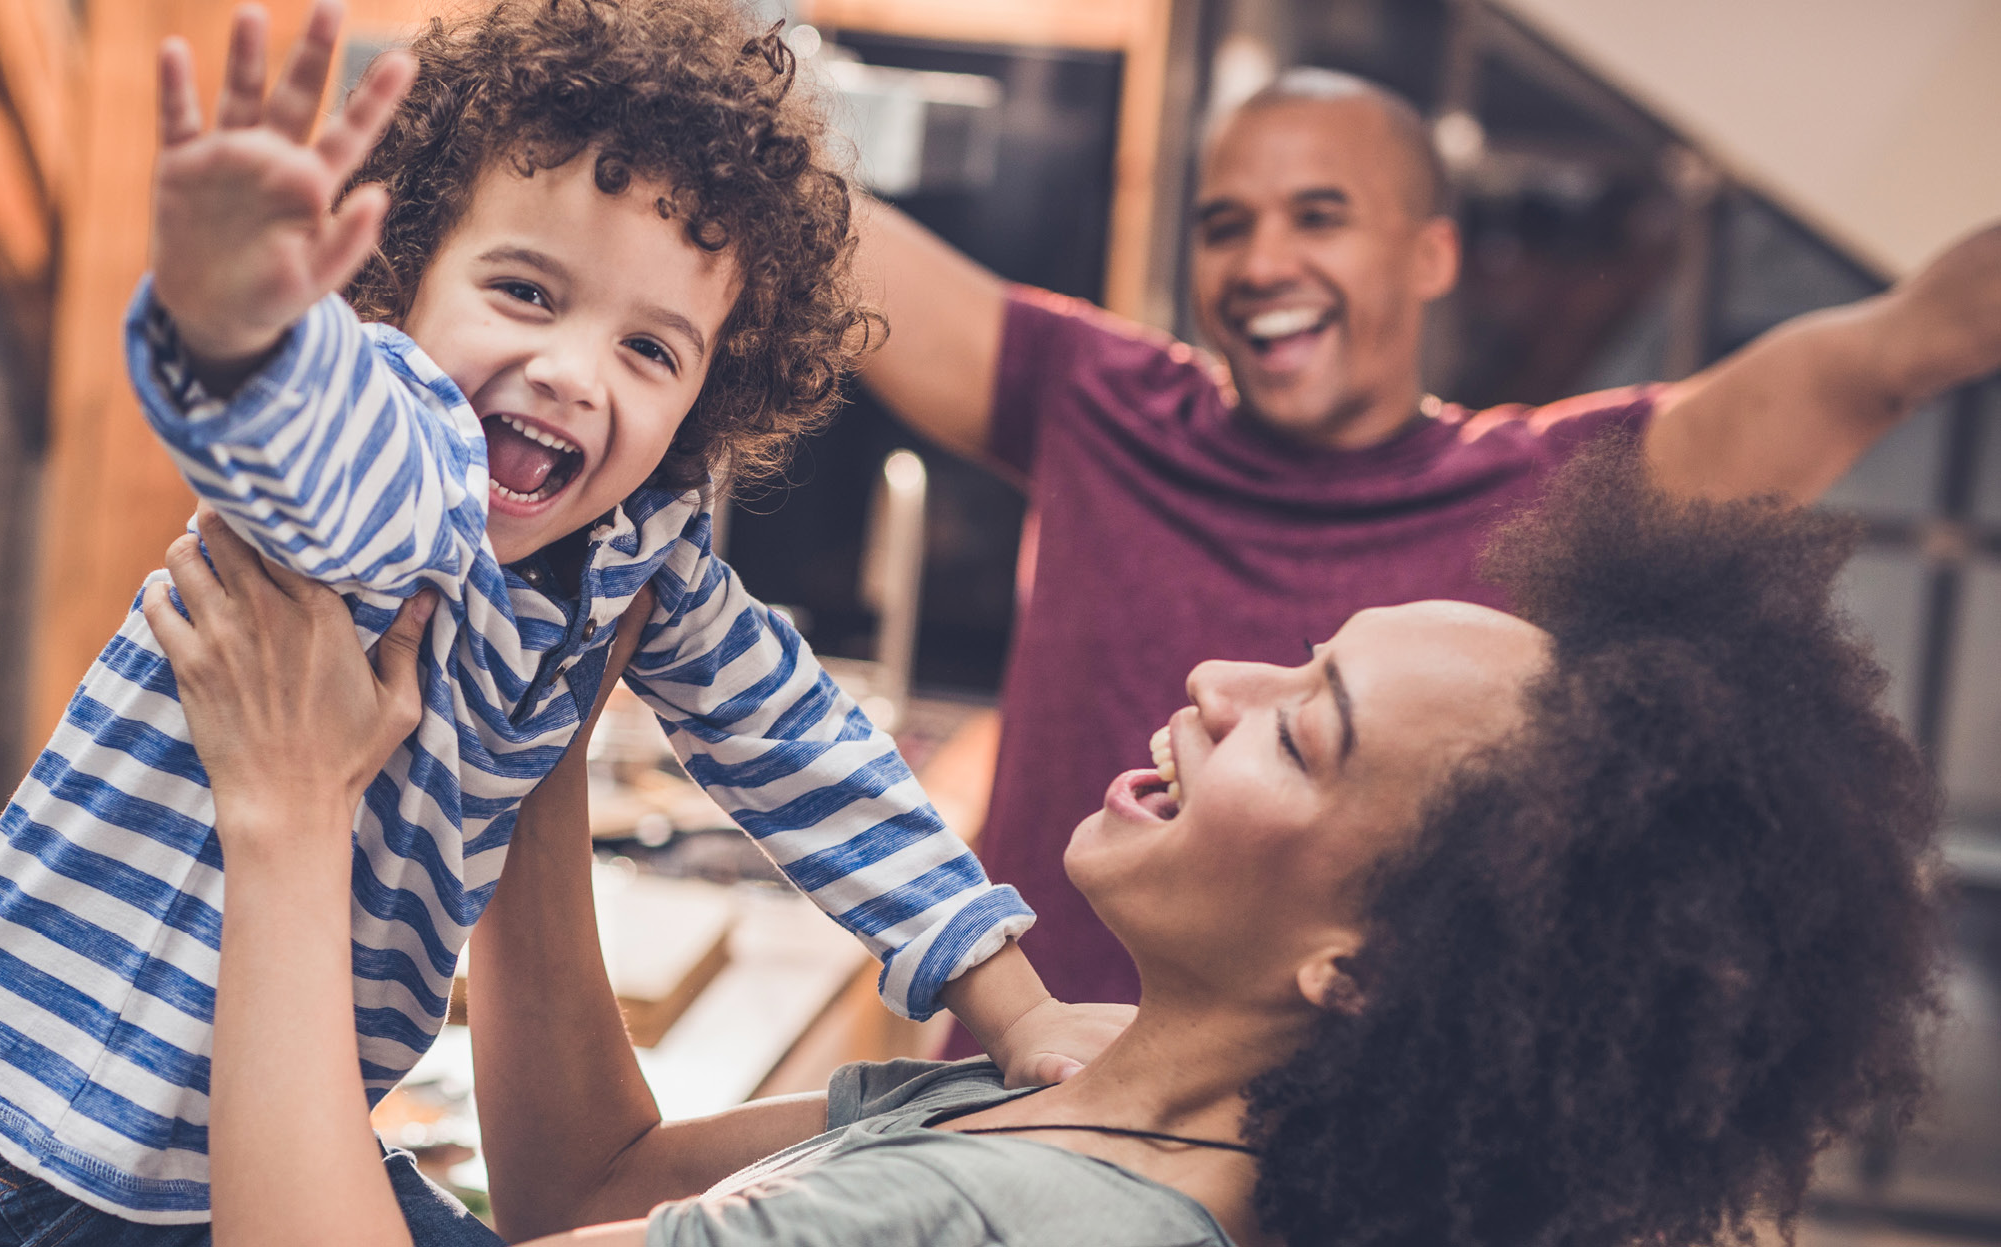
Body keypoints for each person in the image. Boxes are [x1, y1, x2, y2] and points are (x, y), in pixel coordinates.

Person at [560, 0, 2001, 1011]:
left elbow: (1897, 348)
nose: (1260, 260)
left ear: (1430, 253)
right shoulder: (1095, 399)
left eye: (1319, 216)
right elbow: (782, 164)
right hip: (1007, 1082)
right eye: (1223, 222)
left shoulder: (1550, 493)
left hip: (1283, 1162)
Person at [0, 0, 1122, 1241]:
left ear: (708, 397)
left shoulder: (646, 557)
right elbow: (300, 440)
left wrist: (1015, 1009)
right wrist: (235, 324)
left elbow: (815, 759)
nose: (573, 371)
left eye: (651, 349)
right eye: (524, 292)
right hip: (35, 1138)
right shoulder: (396, 455)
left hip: (228, 1151)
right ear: (405, 280)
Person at [142, 440, 1943, 1247]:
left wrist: (290, 817)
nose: (1224, 682)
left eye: (1302, 733)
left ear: (1372, 963)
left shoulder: (1025, 1224)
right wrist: (540, 754)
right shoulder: (1071, 1098)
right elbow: (590, 1183)